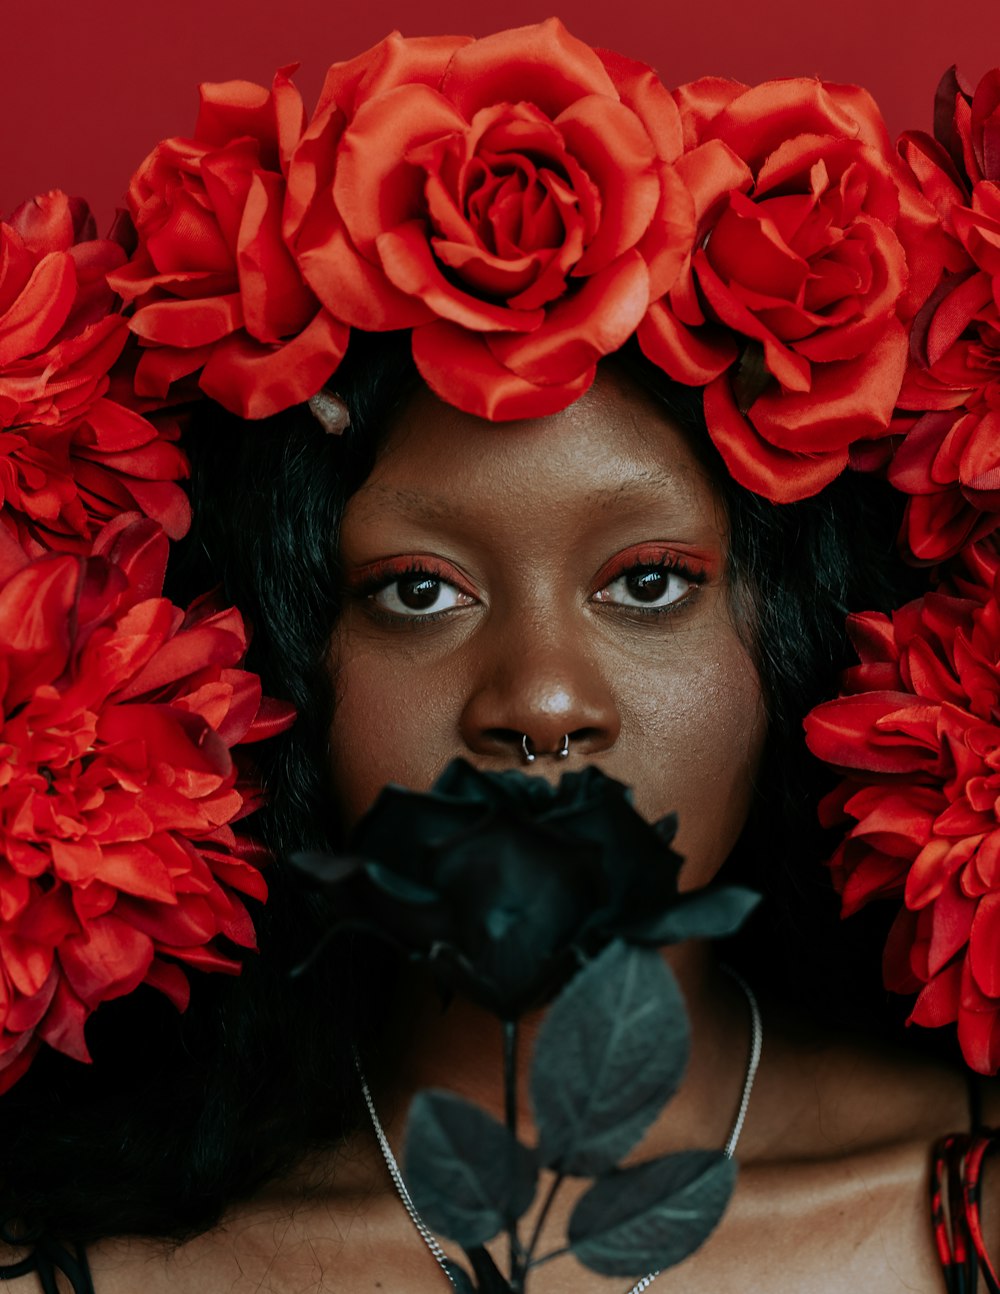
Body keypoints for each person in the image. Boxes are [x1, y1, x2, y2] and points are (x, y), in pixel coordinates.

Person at [1, 20, 999, 1293]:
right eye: (419, 591)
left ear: (798, 645)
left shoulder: (965, 1209)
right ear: (260, 669)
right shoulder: (79, 1265)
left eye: (648, 584)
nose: (541, 701)